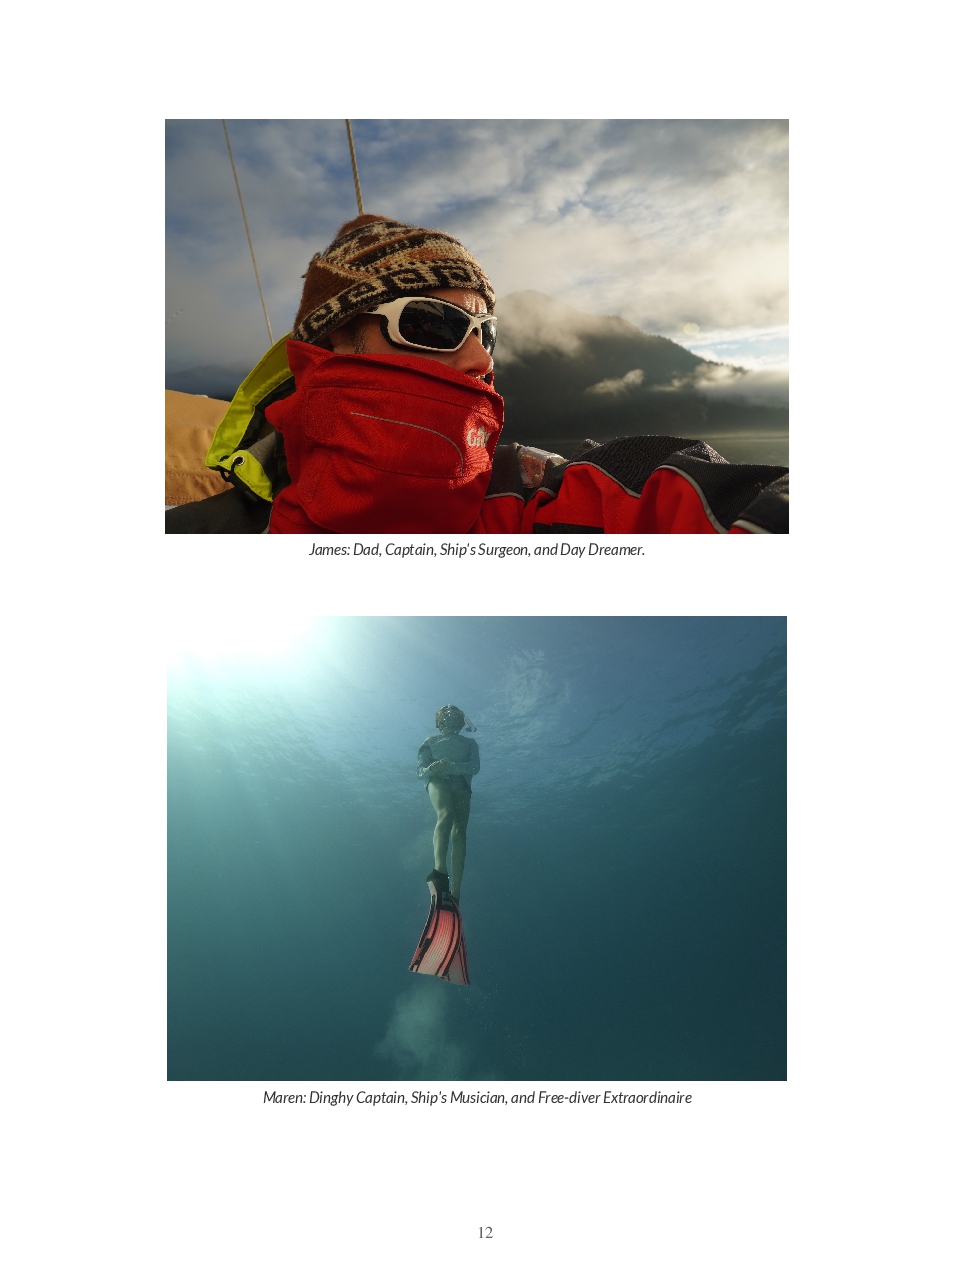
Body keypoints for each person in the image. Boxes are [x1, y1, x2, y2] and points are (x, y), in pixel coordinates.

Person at [166, 214, 788, 534]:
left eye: (485, 332)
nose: (479, 360)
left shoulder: (541, 500)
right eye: (431, 324)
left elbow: (690, 507)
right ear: (330, 343)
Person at [416, 705, 479, 903]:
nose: (450, 716)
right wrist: (433, 769)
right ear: (439, 722)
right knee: (445, 814)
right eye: (446, 714)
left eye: (455, 715)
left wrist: (451, 767)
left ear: (462, 722)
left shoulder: (470, 743)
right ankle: (439, 871)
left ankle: (456, 891)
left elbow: (475, 766)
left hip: (461, 783)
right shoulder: (430, 741)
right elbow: (420, 770)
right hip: (438, 779)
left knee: (460, 830)